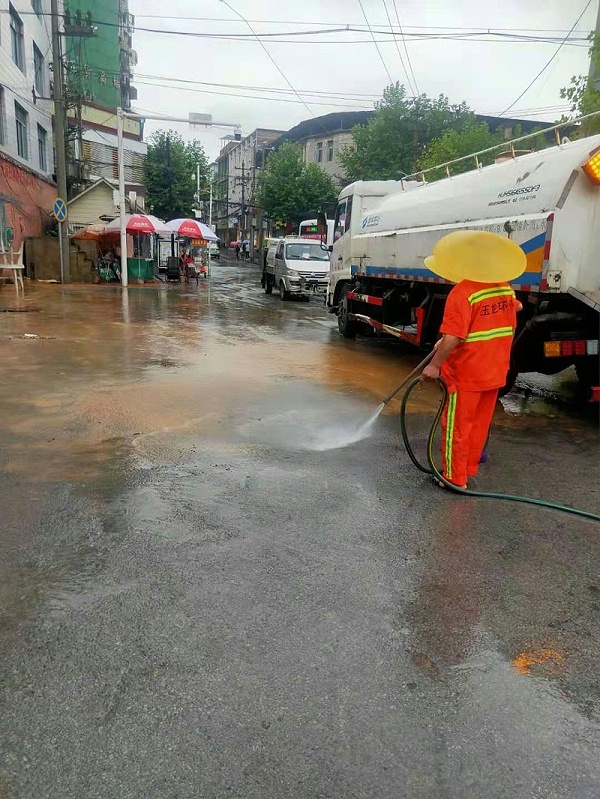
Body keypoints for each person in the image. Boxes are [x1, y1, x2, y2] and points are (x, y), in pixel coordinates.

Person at [421, 230, 525, 490]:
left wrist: (434, 365)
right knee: (478, 426)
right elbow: (517, 307)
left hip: (466, 373)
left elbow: (454, 336)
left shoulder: (462, 293)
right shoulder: (502, 286)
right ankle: (467, 470)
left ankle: (454, 478)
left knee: (456, 426)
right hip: (495, 371)